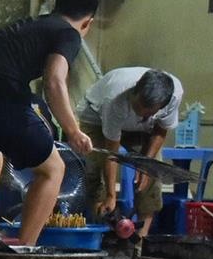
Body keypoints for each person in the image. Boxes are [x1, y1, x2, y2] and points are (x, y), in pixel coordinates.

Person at [0, 0, 99, 247]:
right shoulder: (69, 34)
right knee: (53, 169)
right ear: (88, 22)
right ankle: (24, 249)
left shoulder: (37, 26)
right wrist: (73, 131)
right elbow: (54, 81)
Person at [77, 66, 182, 239]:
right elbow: (111, 153)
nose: (140, 113)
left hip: (143, 129)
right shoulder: (115, 99)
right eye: (138, 106)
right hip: (96, 118)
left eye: (148, 111)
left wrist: (146, 165)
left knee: (153, 171)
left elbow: (161, 130)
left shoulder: (174, 94)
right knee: (93, 170)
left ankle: (139, 240)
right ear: (135, 90)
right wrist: (111, 195)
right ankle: (100, 232)